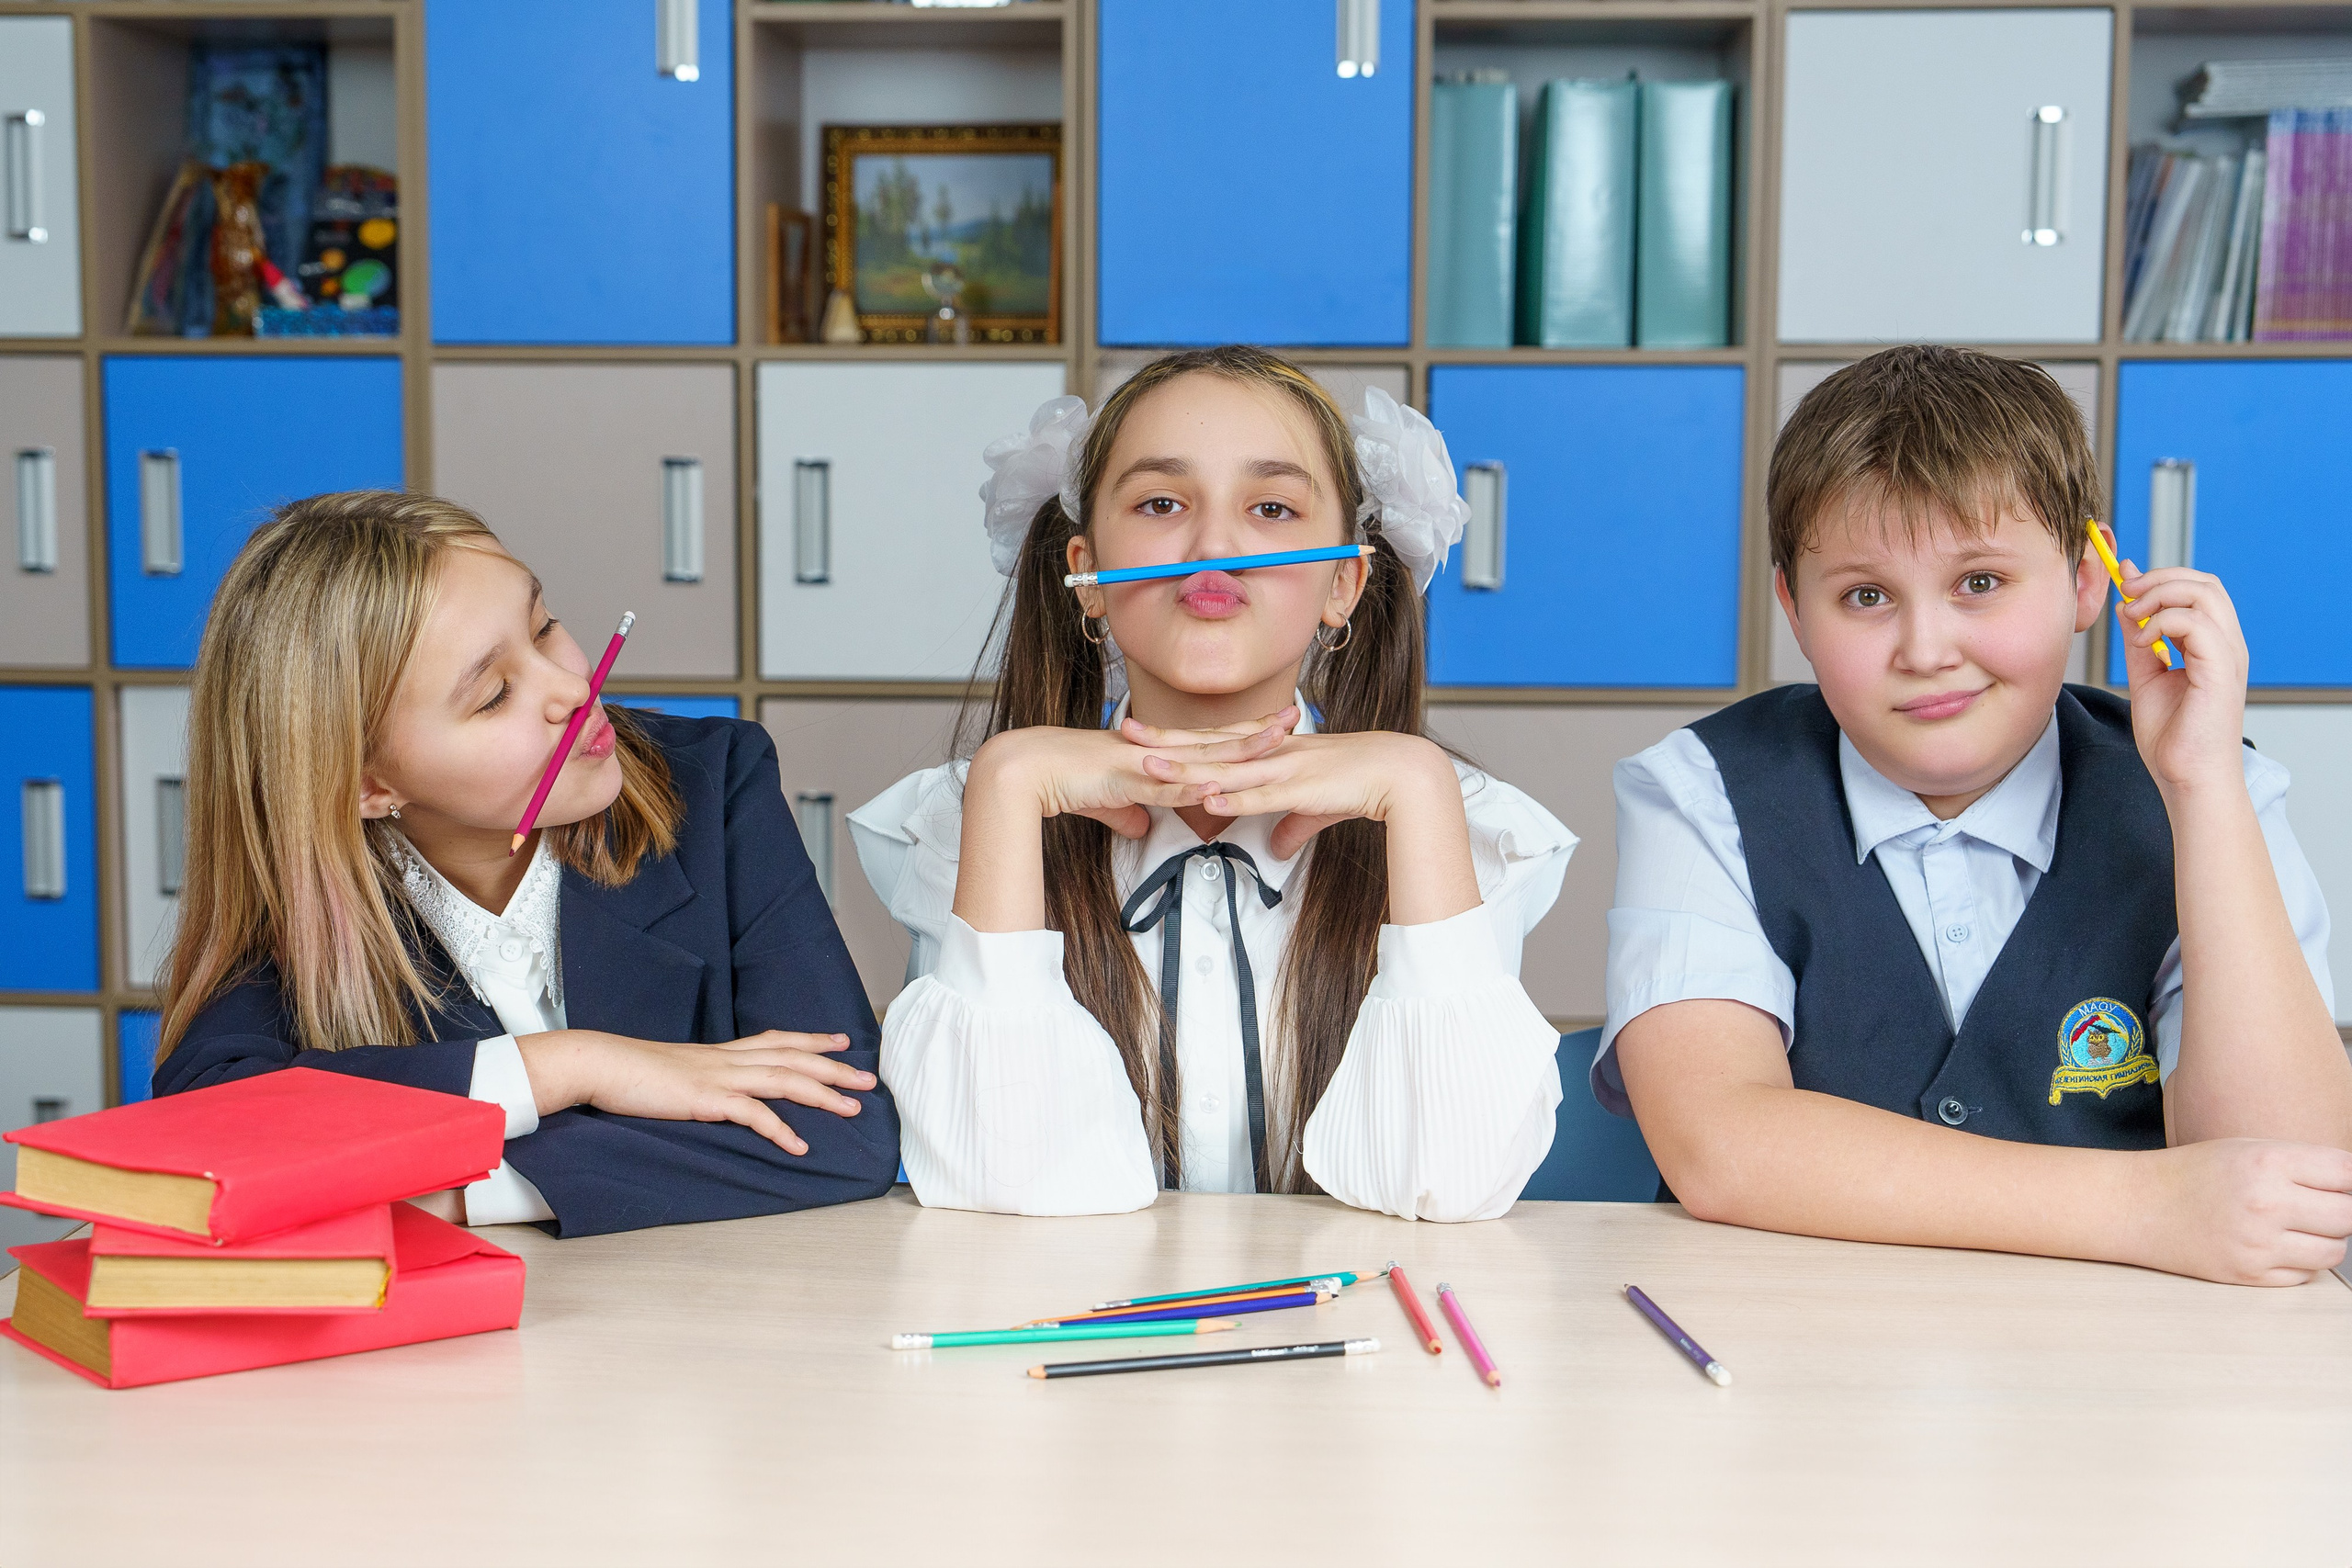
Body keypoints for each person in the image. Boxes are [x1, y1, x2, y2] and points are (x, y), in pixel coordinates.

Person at [1601, 344, 2352, 1285]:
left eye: (1980, 583)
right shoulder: (1702, 790)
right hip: (1793, 1337)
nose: (1926, 649)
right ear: (1794, 610)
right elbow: (1718, 1142)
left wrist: (2201, 790)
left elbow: (2290, 1186)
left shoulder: (2214, 790)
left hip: (2129, 1351)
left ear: (2087, 580)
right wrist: (2146, 1206)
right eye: (1865, 596)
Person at [851, 346, 1576, 1220]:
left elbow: (1449, 1187)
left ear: (1343, 581)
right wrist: (1007, 783)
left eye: (1272, 508)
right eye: (1162, 503)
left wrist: (1418, 785)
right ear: (1086, 574)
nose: (1214, 548)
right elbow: (1003, 1187)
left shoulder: (1468, 828)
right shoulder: (964, 819)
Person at [154, 491, 899, 1237]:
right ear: (367, 785)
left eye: (544, 626)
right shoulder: (308, 897)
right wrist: (574, 1065)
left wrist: (456, 1190)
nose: (573, 689)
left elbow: (848, 1131)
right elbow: (208, 1128)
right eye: (494, 695)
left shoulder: (715, 783)